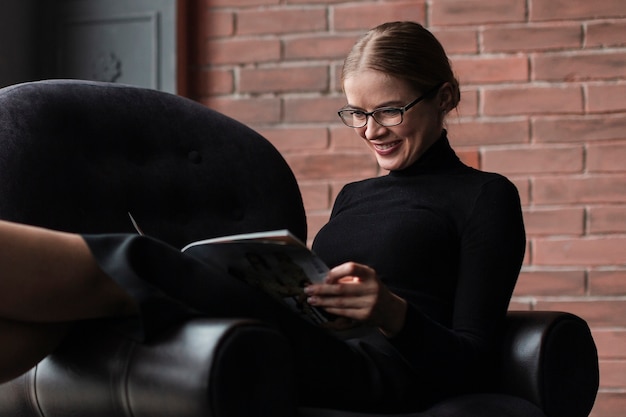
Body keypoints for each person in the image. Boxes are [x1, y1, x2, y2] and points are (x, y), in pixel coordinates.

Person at [0, 21, 526, 413]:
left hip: (381, 373)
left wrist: (391, 312)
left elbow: (474, 362)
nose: (370, 131)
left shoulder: (485, 197)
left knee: (145, 261)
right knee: (63, 317)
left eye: (389, 111)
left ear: (445, 97)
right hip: (309, 342)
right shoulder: (354, 195)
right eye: (357, 114)